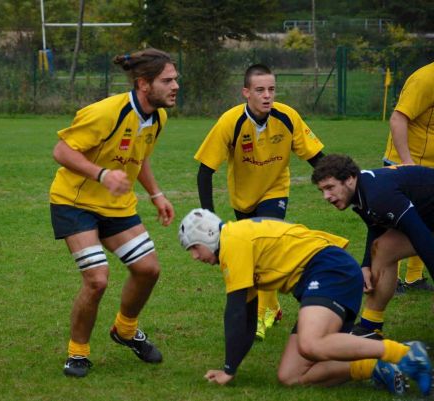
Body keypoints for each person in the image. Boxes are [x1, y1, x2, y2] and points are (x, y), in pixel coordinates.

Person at [178, 208, 432, 395]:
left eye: (193, 248)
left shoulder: (232, 241)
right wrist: (230, 367)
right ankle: (375, 367)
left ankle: (406, 354)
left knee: (312, 343)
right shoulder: (235, 241)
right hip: (327, 275)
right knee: (290, 376)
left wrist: (228, 370)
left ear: (208, 235)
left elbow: (233, 313)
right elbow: (245, 317)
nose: (194, 256)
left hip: (329, 268)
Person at [49, 48, 178, 378]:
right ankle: (77, 353)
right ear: (143, 84)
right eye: (167, 80)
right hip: (75, 203)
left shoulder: (158, 117)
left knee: (148, 269)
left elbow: (140, 155)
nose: (176, 85)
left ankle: (125, 330)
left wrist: (156, 194)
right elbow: (61, 150)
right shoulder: (106, 112)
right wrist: (102, 175)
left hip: (117, 206)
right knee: (97, 280)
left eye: (175, 79)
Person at [194, 64, 325, 340]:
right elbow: (205, 171)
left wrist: (342, 183)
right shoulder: (230, 122)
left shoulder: (287, 117)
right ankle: (273, 307)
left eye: (272, 89)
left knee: (267, 244)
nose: (267, 96)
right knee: (252, 254)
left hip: (275, 190)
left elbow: (316, 157)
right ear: (246, 93)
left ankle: (262, 314)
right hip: (243, 197)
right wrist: (208, 216)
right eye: (260, 90)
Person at [311, 154, 434, 340]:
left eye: (330, 188)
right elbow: (376, 227)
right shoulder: (363, 191)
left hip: (426, 224)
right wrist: (365, 265)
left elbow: (422, 238)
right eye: (322, 190)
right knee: (383, 248)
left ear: (350, 179)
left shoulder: (378, 194)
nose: (326, 196)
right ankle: (370, 326)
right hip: (427, 218)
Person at [382, 62, 434, 293]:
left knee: (428, 223)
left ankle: (414, 278)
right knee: (399, 224)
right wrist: (407, 164)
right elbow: (397, 119)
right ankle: (388, 281)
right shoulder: (425, 79)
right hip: (406, 165)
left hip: (428, 167)